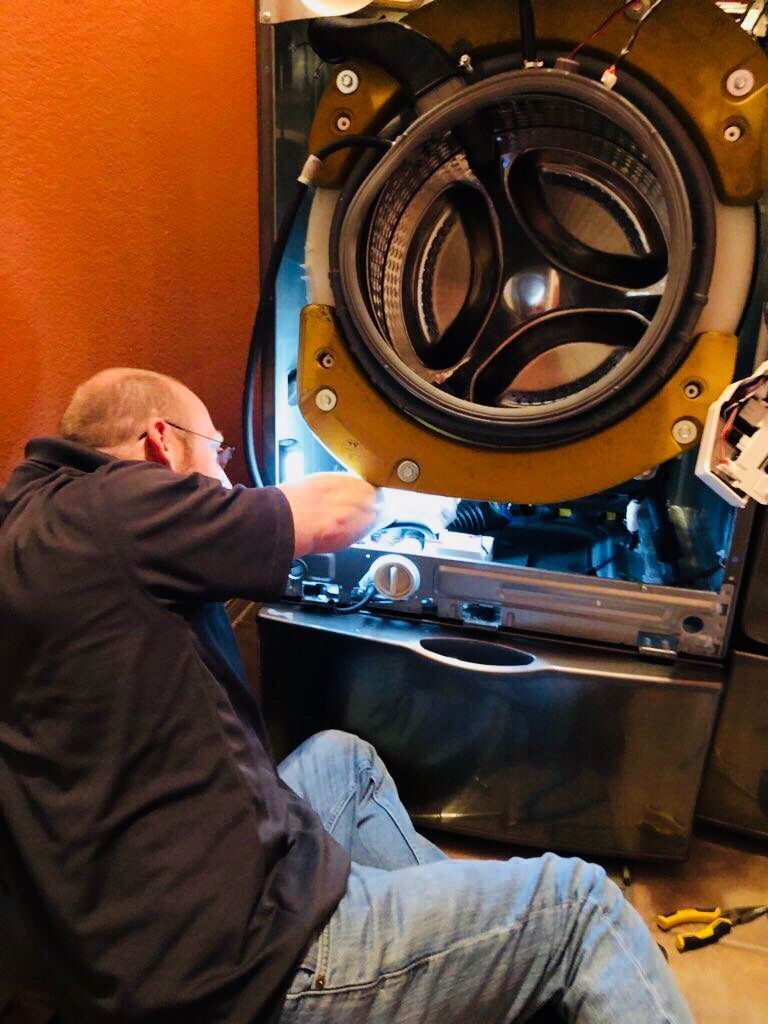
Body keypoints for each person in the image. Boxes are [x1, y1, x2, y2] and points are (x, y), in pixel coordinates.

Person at [0, 368, 693, 1024]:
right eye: (217, 452)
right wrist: (418, 438)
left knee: (343, 759)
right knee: (581, 906)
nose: (224, 476)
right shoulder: (121, 505)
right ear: (160, 443)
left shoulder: (28, 521)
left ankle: (477, 970)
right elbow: (335, 513)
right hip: (238, 974)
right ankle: (515, 959)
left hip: (121, 956)